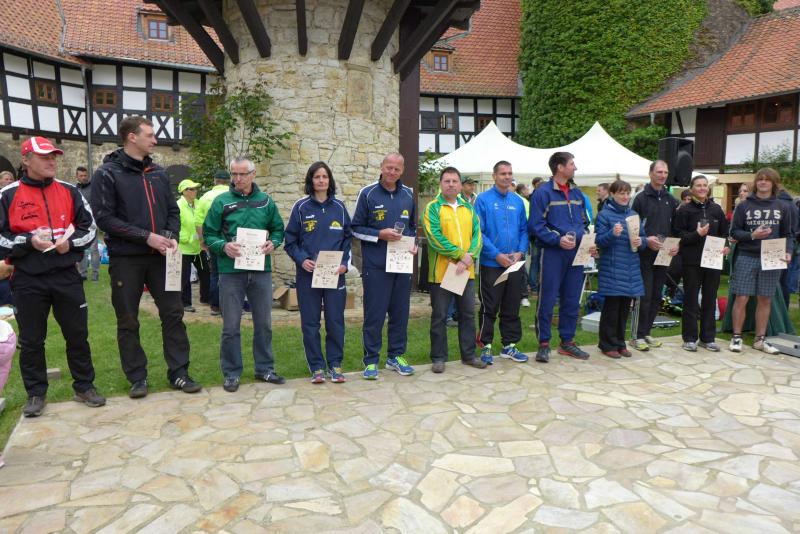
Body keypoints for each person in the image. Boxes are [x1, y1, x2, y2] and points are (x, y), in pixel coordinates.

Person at [92, 116, 201, 398]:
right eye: (150, 135)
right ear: (132, 137)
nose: (155, 140)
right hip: (126, 259)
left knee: (174, 314)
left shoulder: (159, 173)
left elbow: (173, 211)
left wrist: (170, 235)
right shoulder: (107, 173)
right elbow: (104, 218)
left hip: (161, 258)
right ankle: (137, 377)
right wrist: (146, 237)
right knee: (128, 319)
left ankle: (179, 373)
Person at [0, 136, 105, 417]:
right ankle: (36, 393)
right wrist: (28, 242)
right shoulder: (8, 194)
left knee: (77, 335)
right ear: (26, 160)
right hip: (27, 279)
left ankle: (84, 386)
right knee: (32, 340)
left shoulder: (69, 191)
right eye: (44, 156)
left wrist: (70, 244)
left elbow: (89, 228)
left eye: (53, 156)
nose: (51, 161)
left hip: (66, 275)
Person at [203, 156, 286, 392]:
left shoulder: (266, 201)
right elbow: (209, 234)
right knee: (231, 326)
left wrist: (273, 243)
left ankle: (265, 369)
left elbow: (278, 230)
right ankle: (231, 373)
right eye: (234, 174)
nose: (238, 179)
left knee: (264, 324)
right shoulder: (221, 201)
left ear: (253, 174)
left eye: (243, 174)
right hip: (231, 272)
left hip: (261, 271)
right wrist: (223, 246)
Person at [352, 152, 418, 379]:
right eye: (389, 167)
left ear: (402, 170)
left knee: (400, 313)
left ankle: (395, 356)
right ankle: (371, 360)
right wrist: (380, 234)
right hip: (376, 266)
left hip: (401, 264)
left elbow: (412, 228)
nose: (392, 172)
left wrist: (413, 244)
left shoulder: (408, 194)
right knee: (375, 315)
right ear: (381, 167)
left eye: (397, 169)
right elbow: (355, 228)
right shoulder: (367, 193)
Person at [284, 162, 352, 384]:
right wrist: (302, 260)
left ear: (329, 180)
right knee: (310, 323)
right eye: (317, 177)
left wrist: (345, 264)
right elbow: (290, 242)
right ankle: (316, 367)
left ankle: (335, 365)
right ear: (311, 181)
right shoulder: (301, 207)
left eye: (325, 176)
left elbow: (348, 240)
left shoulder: (340, 208)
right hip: (308, 275)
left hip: (335, 275)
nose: (321, 180)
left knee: (335, 321)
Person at [530, 152, 592, 362]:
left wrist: (587, 242)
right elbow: (536, 226)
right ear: (560, 167)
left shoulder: (577, 193)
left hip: (577, 253)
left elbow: (584, 222)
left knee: (572, 300)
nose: (575, 167)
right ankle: (543, 344)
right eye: (572, 164)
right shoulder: (542, 193)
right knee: (547, 299)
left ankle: (567, 342)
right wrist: (557, 240)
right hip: (553, 253)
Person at [423, 166, 487, 373]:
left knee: (467, 314)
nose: (451, 184)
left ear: (460, 185)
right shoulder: (433, 208)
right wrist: (461, 255)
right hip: (442, 273)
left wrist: (469, 258)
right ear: (441, 184)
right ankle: (438, 358)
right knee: (440, 316)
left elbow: (477, 236)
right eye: (447, 181)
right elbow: (435, 237)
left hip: (465, 271)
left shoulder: (469, 208)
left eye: (454, 181)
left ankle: (469, 355)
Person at [729, 168, 793, 354]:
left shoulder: (782, 206)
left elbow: (788, 234)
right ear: (756, 183)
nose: (763, 182)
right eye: (760, 179)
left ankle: (760, 340)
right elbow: (734, 232)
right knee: (741, 297)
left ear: (773, 183)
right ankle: (736, 337)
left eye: (767, 180)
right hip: (747, 255)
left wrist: (788, 251)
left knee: (765, 298)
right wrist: (753, 235)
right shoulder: (744, 206)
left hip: (772, 258)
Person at [474, 160, 529, 364]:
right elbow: (479, 232)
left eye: (509, 173)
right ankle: (485, 346)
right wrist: (496, 254)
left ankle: (510, 345)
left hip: (514, 263)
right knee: (489, 306)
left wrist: (520, 251)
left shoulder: (517, 201)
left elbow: (524, 229)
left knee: (512, 305)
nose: (507, 177)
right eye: (503, 173)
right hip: (492, 263)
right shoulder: (483, 200)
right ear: (494, 176)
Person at [672, 175, 729, 352]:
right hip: (692, 261)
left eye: (705, 185)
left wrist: (726, 245)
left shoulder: (716, 209)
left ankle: (707, 338)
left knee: (710, 299)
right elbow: (678, 236)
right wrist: (697, 234)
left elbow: (724, 232)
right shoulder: (684, 210)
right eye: (698, 185)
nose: (702, 188)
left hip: (712, 260)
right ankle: (690, 338)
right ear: (691, 189)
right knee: (690, 299)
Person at [630, 160, 679, 351]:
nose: (662, 175)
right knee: (644, 296)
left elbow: (675, 228)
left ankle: (646, 332)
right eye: (659, 172)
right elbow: (631, 227)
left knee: (657, 295)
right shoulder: (640, 198)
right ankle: (636, 336)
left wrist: (675, 245)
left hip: (664, 254)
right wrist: (645, 240)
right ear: (650, 173)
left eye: (665, 172)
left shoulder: (671, 199)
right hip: (643, 254)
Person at [595, 180, 644, 358]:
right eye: (621, 193)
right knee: (612, 309)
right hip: (612, 268)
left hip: (630, 268)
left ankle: (620, 343)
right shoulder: (604, 215)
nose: (625, 196)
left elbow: (643, 238)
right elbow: (599, 241)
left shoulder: (634, 215)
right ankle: (607, 344)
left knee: (624, 309)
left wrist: (642, 241)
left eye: (627, 193)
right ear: (613, 194)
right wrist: (612, 234)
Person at [195, 170, 231, 315]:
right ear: (229, 181)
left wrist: (202, 240)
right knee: (233, 274)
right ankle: (231, 306)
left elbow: (198, 222)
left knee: (215, 273)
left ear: (215, 181)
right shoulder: (235, 195)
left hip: (214, 240)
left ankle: (215, 306)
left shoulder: (205, 197)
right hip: (232, 240)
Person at [177, 179, 210, 312]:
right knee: (184, 277)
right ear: (184, 191)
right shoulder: (178, 206)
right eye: (191, 189)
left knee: (205, 272)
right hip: (184, 248)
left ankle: (206, 298)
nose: (195, 191)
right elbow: (174, 226)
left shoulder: (199, 203)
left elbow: (203, 220)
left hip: (199, 247)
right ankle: (185, 303)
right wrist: (186, 238)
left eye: (196, 188)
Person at [74, 166, 101, 282]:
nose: (84, 177)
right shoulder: (75, 189)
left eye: (85, 175)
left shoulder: (93, 188)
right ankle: (83, 273)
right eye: (81, 176)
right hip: (80, 223)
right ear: (77, 176)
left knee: (94, 249)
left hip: (93, 222)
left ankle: (95, 274)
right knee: (82, 249)